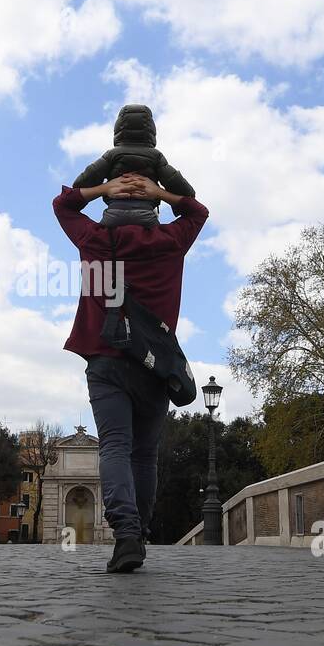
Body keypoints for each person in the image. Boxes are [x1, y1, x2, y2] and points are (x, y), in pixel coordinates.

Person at [53, 171, 209, 572]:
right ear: (152, 212)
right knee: (144, 454)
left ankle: (125, 535)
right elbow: (196, 210)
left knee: (115, 446)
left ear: (110, 211)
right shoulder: (171, 242)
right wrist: (161, 192)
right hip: (154, 365)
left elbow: (63, 204)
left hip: (105, 359)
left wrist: (102, 188)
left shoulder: (93, 239)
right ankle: (138, 533)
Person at [72, 104, 196, 228]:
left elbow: (81, 184)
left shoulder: (112, 155)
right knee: (157, 242)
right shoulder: (156, 156)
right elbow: (185, 192)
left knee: (101, 241)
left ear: (118, 129)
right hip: (146, 214)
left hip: (114, 213)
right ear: (151, 130)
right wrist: (159, 192)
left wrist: (105, 188)